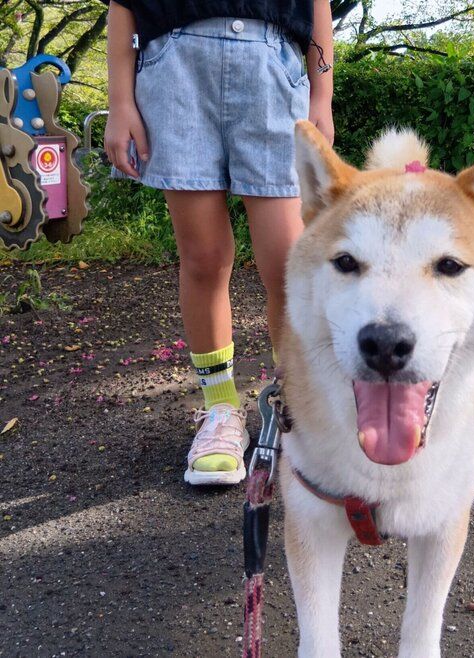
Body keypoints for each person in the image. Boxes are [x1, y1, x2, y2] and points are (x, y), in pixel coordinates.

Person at [103, 1, 334, 486]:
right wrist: (120, 102)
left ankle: (294, 402)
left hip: (272, 68)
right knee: (203, 258)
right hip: (175, 69)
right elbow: (123, 3)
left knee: (288, 265)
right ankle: (220, 408)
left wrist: (322, 98)